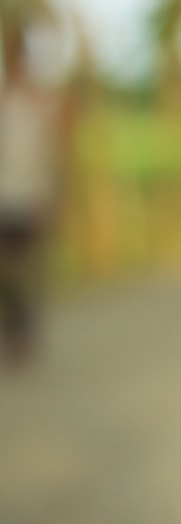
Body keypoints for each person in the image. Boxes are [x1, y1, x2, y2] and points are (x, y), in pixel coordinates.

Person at [0, 15, 67, 367]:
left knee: (24, 272)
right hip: (3, 198)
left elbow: (47, 156)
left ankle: (22, 335)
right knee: (6, 272)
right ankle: (14, 331)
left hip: (28, 199)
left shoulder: (37, 105)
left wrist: (46, 198)